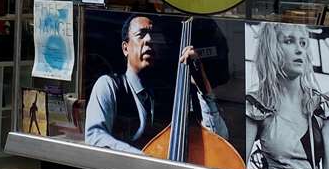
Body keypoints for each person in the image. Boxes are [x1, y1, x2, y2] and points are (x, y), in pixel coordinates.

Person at [84, 14, 227, 152]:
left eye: (155, 36)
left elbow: (219, 140)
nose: (149, 39)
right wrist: (146, 159)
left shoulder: (173, 93)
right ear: (125, 48)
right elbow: (95, 138)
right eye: (141, 34)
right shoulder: (109, 86)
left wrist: (204, 88)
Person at [246, 21, 329, 169]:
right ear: (271, 49)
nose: (299, 50)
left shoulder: (322, 107)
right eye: (289, 41)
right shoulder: (257, 105)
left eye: (303, 43)